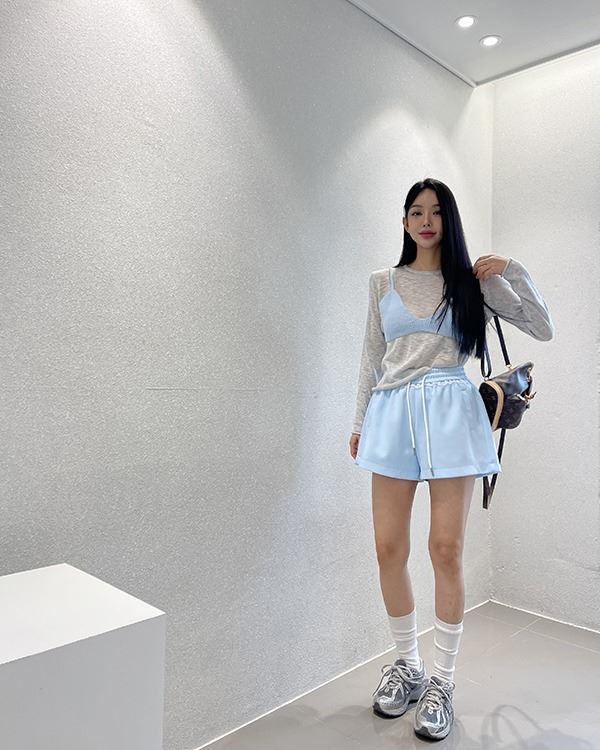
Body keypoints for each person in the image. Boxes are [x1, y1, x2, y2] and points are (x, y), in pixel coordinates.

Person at [348, 177, 555, 741]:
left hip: (451, 413)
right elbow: (372, 357)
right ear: (404, 221)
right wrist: (360, 423)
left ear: (449, 220)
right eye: (415, 212)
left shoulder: (472, 283)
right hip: (392, 414)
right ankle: (408, 666)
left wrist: (512, 270)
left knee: (446, 550)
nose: (425, 221)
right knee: (388, 548)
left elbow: (542, 327)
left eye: (435, 212)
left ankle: (442, 679)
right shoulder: (382, 281)